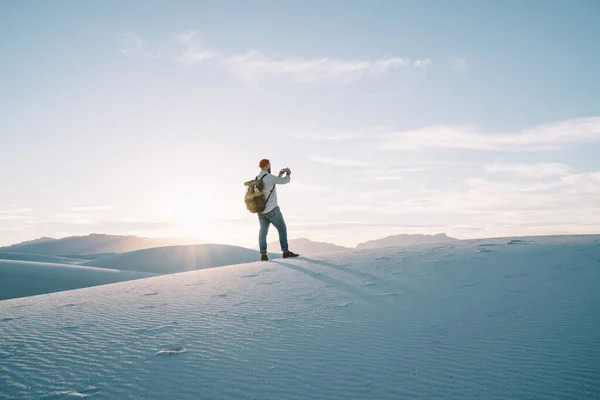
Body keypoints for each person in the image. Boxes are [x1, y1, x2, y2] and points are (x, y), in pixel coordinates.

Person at [256, 158, 299, 261]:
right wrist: (288, 174)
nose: (270, 166)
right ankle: (285, 251)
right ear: (266, 166)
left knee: (263, 232)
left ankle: (263, 254)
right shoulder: (269, 177)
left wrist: (279, 175)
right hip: (272, 209)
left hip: (261, 211)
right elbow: (285, 181)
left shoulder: (257, 178)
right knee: (282, 228)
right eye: (269, 165)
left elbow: (271, 185)